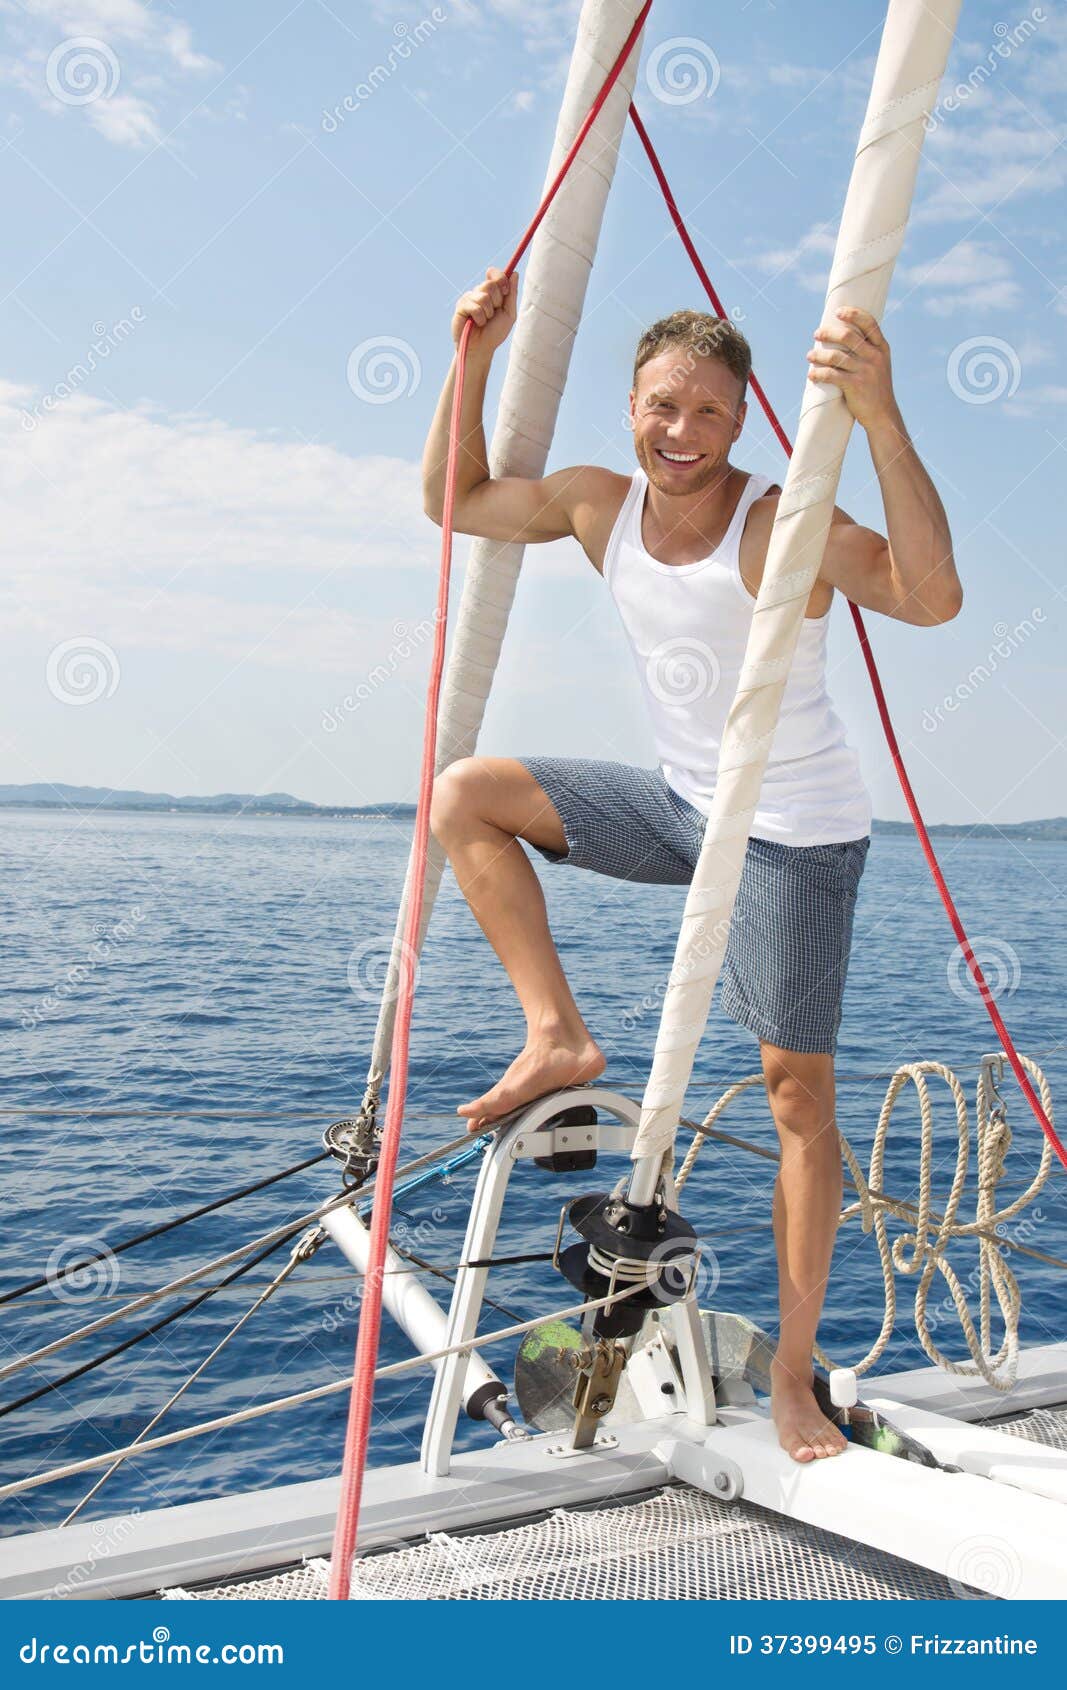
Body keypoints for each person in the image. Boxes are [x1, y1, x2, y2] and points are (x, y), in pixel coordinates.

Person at [422, 267, 961, 1463]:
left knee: (793, 1097)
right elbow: (452, 500)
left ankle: (790, 1375)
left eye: (709, 412)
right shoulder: (591, 504)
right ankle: (556, 1031)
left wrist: (876, 413)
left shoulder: (780, 524)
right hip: (681, 807)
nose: (681, 433)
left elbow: (931, 598)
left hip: (792, 833)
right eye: (662, 405)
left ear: (743, 419)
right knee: (464, 793)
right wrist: (472, 357)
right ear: (630, 403)